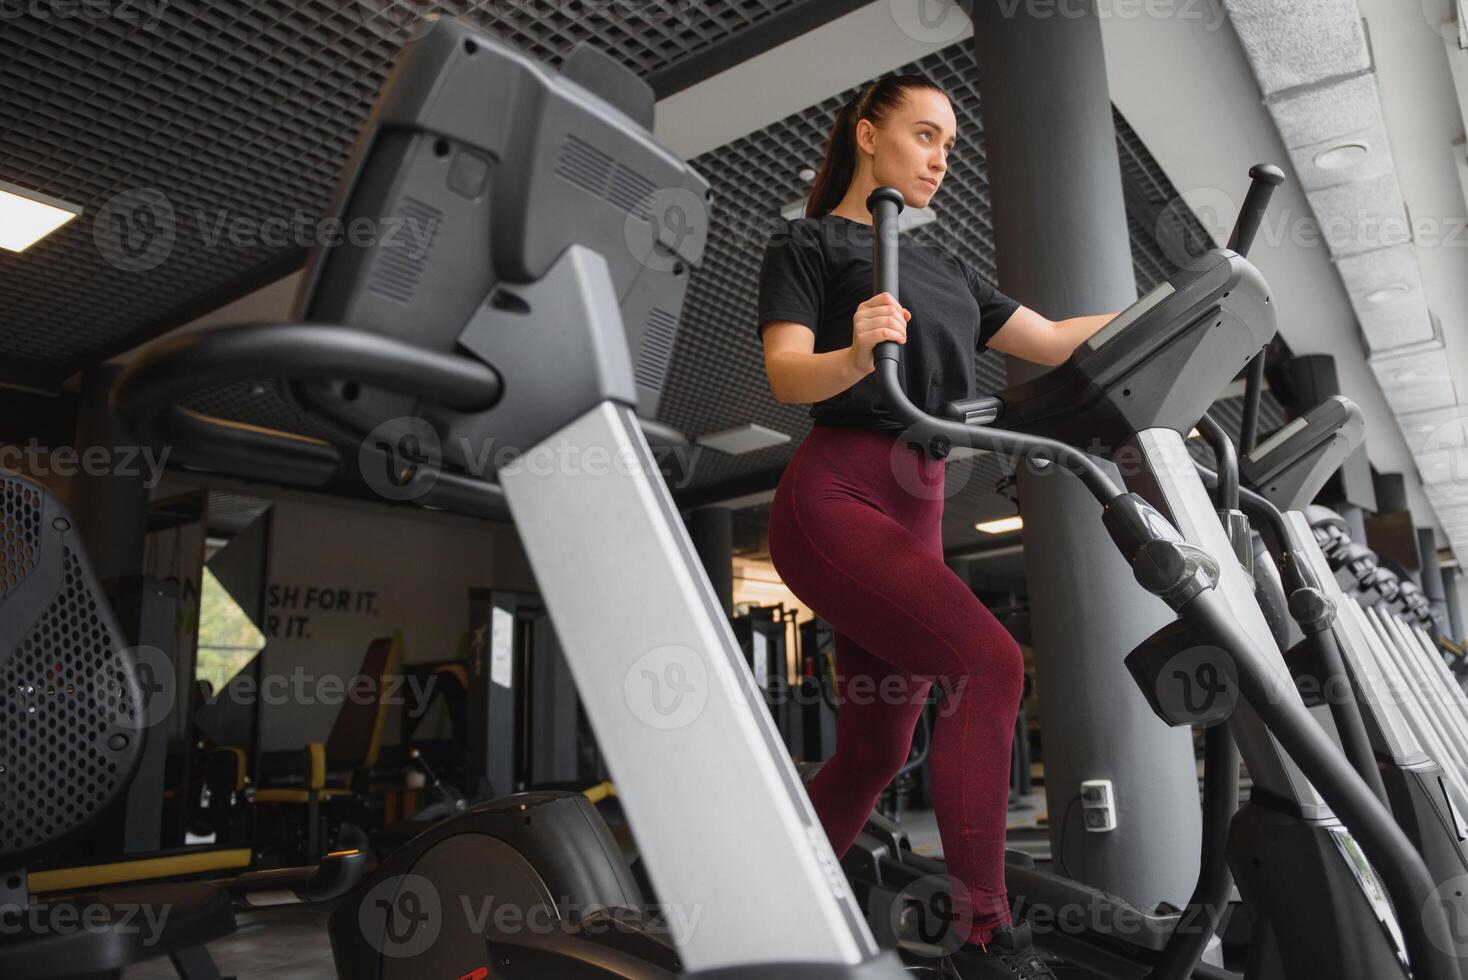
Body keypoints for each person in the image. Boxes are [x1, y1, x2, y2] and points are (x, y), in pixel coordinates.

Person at [755, 75, 1116, 980]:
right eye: (924, 135)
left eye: (948, 144)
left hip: (917, 518)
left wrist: (1179, 307)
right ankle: (983, 935)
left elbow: (1062, 336)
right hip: (837, 496)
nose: (940, 158)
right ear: (867, 135)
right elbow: (787, 377)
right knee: (987, 663)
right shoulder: (811, 244)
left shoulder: (949, 271)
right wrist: (851, 349)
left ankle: (766, 904)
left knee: (878, 749)